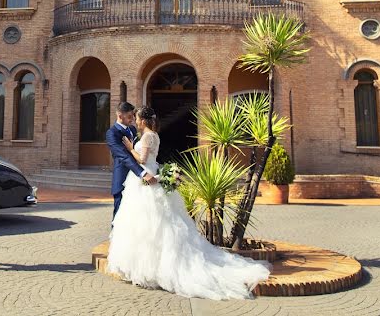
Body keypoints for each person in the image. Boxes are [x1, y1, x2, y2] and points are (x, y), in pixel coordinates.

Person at [107, 106, 271, 300]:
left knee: (148, 224)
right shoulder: (152, 135)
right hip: (146, 177)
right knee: (153, 224)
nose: (135, 121)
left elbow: (142, 158)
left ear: (142, 120)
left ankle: (148, 267)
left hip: (146, 179)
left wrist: (129, 149)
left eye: (136, 118)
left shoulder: (145, 136)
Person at [106, 101, 156, 220]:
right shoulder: (112, 133)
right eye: (129, 116)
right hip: (123, 178)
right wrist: (142, 173)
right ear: (120, 115)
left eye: (133, 116)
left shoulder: (133, 130)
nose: (132, 119)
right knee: (119, 216)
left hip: (137, 182)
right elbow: (123, 156)